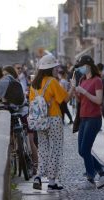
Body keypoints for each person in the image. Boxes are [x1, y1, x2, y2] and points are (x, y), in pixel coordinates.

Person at [30, 54, 75, 191]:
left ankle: (38, 176)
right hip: (54, 118)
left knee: (42, 148)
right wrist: (72, 87)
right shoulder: (52, 82)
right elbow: (65, 99)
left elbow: (32, 103)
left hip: (39, 120)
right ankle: (51, 182)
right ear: (50, 69)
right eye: (54, 67)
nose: (56, 69)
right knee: (55, 148)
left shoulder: (33, 84)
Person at [73, 55, 104, 190]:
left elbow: (99, 100)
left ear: (88, 65)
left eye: (82, 66)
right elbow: (80, 101)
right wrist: (76, 92)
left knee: (85, 149)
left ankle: (91, 179)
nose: (81, 68)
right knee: (81, 150)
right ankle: (102, 173)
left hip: (94, 118)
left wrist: (83, 91)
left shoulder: (97, 81)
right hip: (83, 117)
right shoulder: (82, 80)